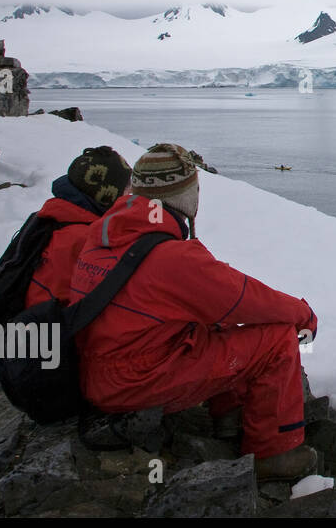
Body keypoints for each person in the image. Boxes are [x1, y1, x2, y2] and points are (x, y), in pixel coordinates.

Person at [70, 143, 320, 481]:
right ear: (184, 195)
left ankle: (229, 420)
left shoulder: (105, 236)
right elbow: (244, 297)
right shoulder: (170, 256)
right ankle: (273, 452)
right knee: (275, 340)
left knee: (209, 321)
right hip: (135, 381)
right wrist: (303, 315)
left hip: (99, 373)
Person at [24, 146, 131, 308]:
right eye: (126, 190)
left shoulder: (51, 217)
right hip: (46, 329)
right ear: (107, 195)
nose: (129, 197)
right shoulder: (83, 238)